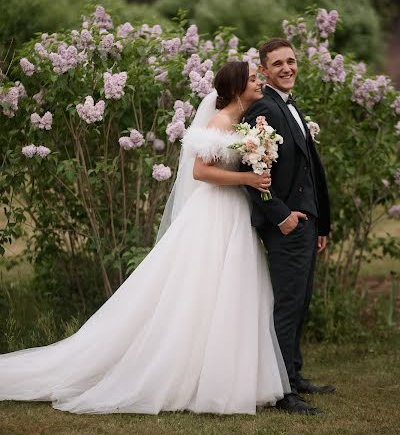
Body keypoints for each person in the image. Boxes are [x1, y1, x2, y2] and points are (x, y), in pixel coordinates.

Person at [0, 61, 290, 415]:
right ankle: (198, 376)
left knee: (233, 289)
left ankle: (231, 375)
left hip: (234, 214)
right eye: (253, 79)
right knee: (204, 290)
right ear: (235, 87)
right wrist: (247, 179)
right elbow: (201, 171)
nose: (259, 82)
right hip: (214, 213)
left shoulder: (243, 123)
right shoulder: (219, 123)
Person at [242, 38, 335, 415]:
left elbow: (309, 172)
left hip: (306, 222)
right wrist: (281, 215)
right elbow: (252, 169)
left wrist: (321, 223)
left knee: (301, 303)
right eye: (277, 63)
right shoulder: (264, 109)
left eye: (291, 61)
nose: (286, 68)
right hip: (286, 224)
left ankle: (293, 375)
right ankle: (282, 392)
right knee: (288, 305)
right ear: (263, 70)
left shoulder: (288, 104)